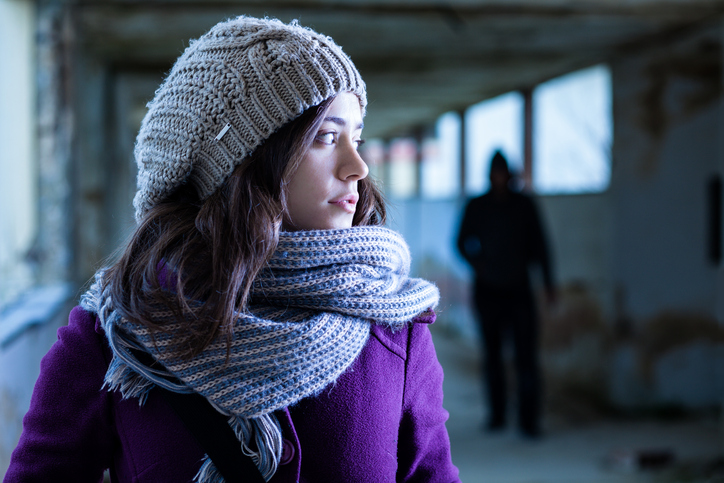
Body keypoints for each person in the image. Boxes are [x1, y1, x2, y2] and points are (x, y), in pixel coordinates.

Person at [5, 16, 459, 483]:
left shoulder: (393, 331)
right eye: (327, 137)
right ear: (242, 161)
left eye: (357, 137)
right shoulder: (120, 333)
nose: (357, 167)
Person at [456, 150, 555, 439]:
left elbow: (541, 246)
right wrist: (480, 266)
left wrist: (549, 285)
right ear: (489, 175)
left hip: (520, 291)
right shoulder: (478, 205)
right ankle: (497, 415)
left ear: (509, 174)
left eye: (503, 172)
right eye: (495, 172)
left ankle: (529, 422)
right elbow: (461, 242)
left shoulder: (524, 205)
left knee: (526, 358)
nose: (499, 177)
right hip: (488, 293)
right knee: (492, 357)